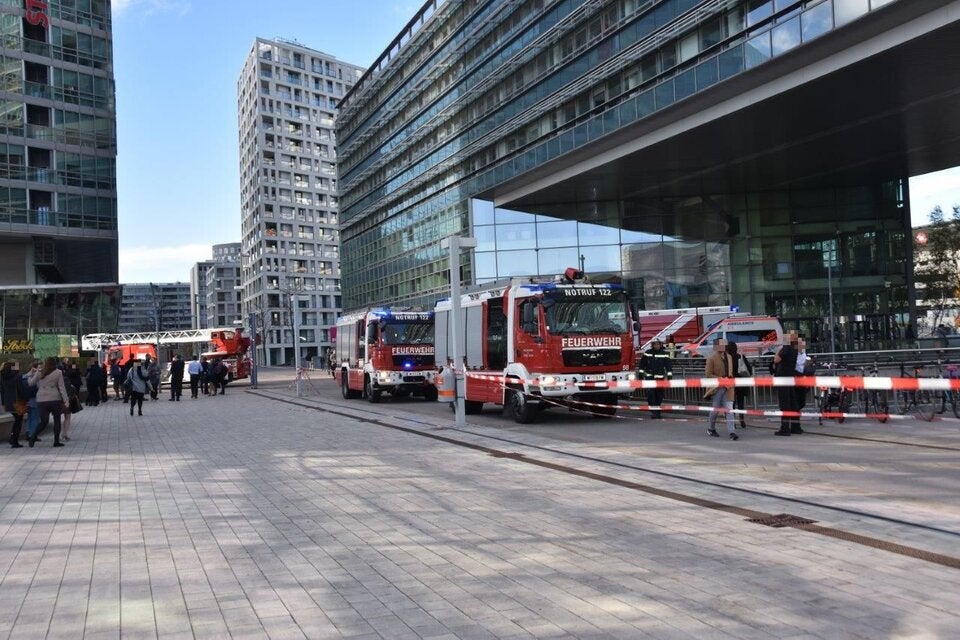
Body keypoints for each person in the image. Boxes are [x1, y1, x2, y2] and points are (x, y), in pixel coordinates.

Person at [27, 356, 69, 447]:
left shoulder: (40, 371)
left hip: (41, 399)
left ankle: (33, 436)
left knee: (43, 421)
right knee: (57, 420)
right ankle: (56, 441)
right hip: (55, 398)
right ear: (55, 363)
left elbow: (31, 383)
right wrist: (66, 400)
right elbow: (62, 387)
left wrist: (30, 375)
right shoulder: (58, 372)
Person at [704, 339, 738, 440]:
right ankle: (711, 428)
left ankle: (732, 432)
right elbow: (708, 374)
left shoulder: (729, 357)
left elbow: (730, 371)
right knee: (715, 410)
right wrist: (720, 379)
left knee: (729, 410)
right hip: (717, 388)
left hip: (728, 387)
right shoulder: (711, 358)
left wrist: (729, 380)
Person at [772, 331, 800, 435]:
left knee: (785, 403)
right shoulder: (795, 348)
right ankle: (796, 426)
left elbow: (776, 360)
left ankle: (785, 428)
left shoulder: (786, 348)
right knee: (793, 402)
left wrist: (778, 351)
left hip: (783, 377)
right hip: (790, 377)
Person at [638, 338, 672, 418]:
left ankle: (658, 411)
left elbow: (668, 366)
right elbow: (642, 365)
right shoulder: (647, 353)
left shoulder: (664, 354)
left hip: (660, 379)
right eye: (655, 344)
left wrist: (669, 377)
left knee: (659, 395)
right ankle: (654, 411)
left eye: (658, 344)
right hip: (650, 378)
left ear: (660, 344)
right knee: (651, 394)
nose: (657, 345)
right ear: (652, 345)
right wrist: (640, 375)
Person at [1, 360, 26, 448]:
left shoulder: (3, 376)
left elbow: (2, 390)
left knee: (16, 420)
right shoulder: (17, 376)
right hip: (17, 401)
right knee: (18, 421)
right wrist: (25, 399)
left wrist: (3, 402)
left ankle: (13, 438)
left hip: (8, 401)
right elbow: (21, 389)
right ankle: (14, 440)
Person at [728, 342, 753, 429]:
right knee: (741, 403)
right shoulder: (740, 356)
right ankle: (742, 420)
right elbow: (749, 369)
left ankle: (733, 422)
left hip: (732, 383)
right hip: (741, 383)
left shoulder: (728, 358)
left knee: (732, 403)